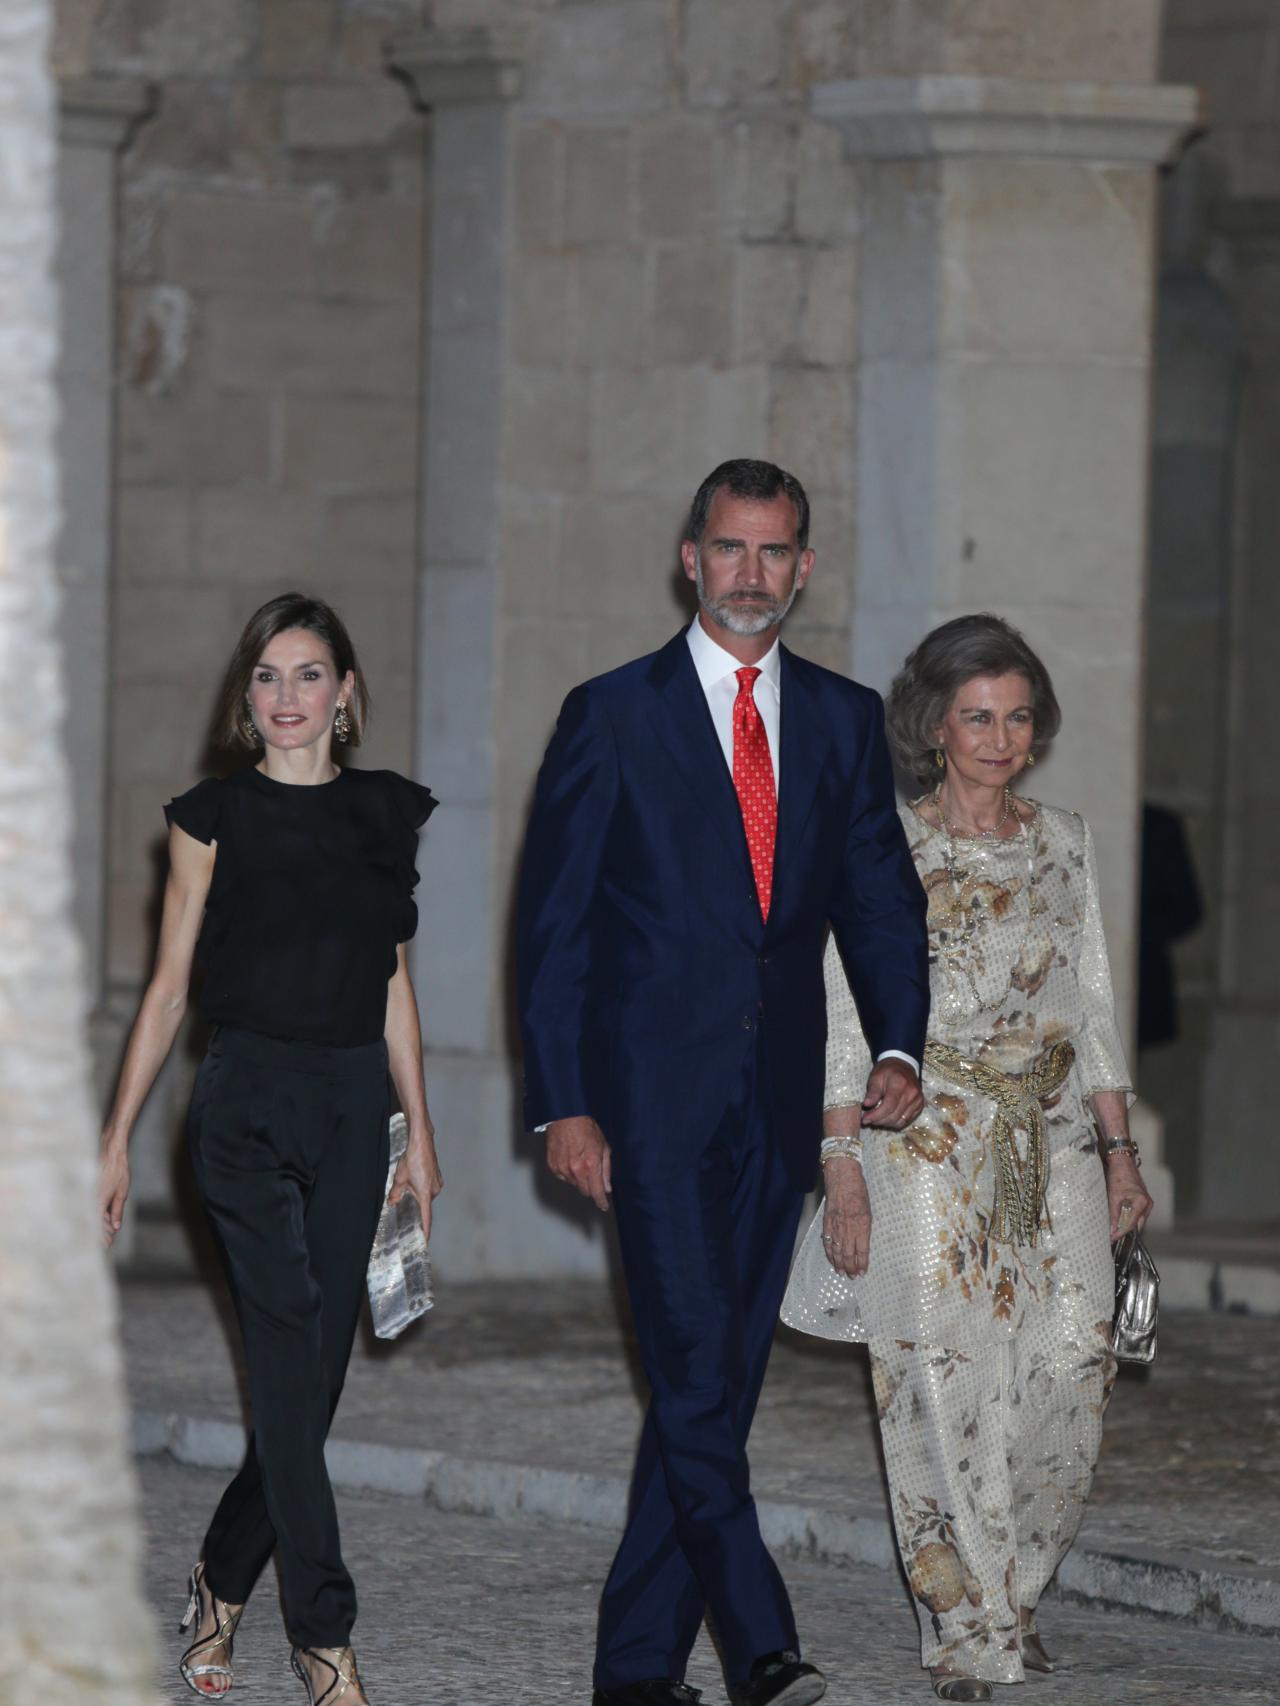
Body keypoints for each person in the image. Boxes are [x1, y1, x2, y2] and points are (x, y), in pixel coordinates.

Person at [517, 459, 930, 1706]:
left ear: (802, 568)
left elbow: (876, 896)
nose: (750, 574)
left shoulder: (846, 717)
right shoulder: (611, 713)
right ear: (688, 556)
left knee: (713, 1380)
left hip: (782, 1100)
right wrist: (562, 1098)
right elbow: (555, 928)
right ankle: (761, 1646)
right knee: (695, 1369)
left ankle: (636, 1667)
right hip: (643, 1102)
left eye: (774, 553)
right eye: (729, 549)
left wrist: (899, 1048)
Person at [781, 614, 1152, 1703]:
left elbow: (1092, 1007)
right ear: (933, 727)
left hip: (1051, 1137)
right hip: (921, 1138)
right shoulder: (881, 843)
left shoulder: (1065, 839)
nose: (999, 738)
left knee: (1073, 1362)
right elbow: (843, 1009)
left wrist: (1121, 1153)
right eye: (976, 716)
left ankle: (1015, 1587)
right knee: (935, 1376)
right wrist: (838, 1156)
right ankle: (966, 1626)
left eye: (1017, 716)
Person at [98, 593, 443, 1705]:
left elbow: (395, 985)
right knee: (292, 1359)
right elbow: (164, 989)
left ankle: (213, 1586)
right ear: (245, 700)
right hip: (243, 1101)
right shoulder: (209, 815)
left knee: (311, 1386)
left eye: (308, 674)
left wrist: (420, 1136)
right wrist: (110, 1144)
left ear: (344, 693)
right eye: (266, 677)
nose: (286, 697)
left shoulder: (387, 812)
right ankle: (324, 1633)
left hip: (352, 1105)